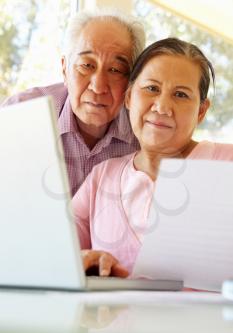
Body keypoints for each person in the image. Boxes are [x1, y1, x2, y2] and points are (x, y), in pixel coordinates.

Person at [72, 37, 233, 277]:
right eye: (152, 89)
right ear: (128, 98)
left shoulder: (226, 164)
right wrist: (83, 260)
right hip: (114, 315)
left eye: (180, 94)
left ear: (201, 111)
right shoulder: (101, 178)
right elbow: (54, 255)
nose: (162, 107)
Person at [1, 8, 145, 195]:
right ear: (65, 69)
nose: (98, 86)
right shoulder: (20, 113)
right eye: (86, 65)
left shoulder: (144, 136)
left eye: (116, 70)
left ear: (132, 80)